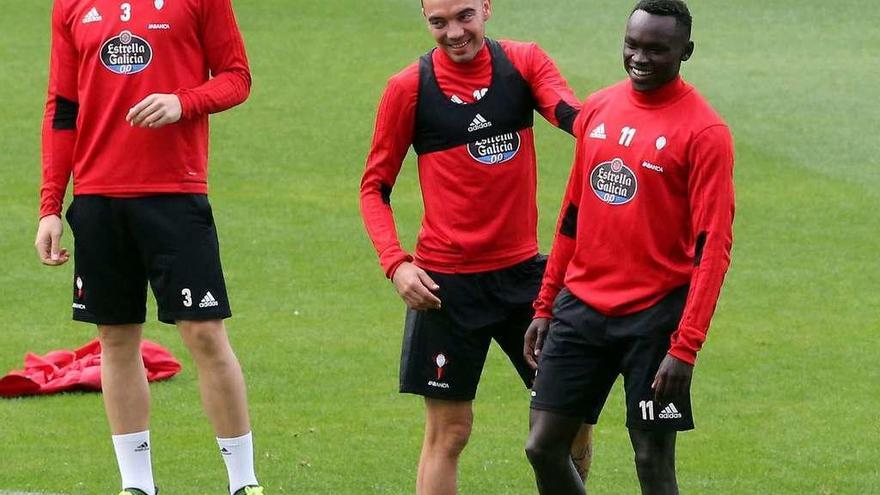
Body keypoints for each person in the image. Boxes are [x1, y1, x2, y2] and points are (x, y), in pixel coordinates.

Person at [359, 0, 594, 493]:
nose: (454, 33)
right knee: (450, 432)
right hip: (445, 288)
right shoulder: (409, 88)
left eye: (465, 16)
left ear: (487, 7)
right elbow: (374, 187)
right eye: (438, 22)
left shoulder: (523, 63)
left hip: (528, 281)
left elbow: (571, 115)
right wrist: (395, 264)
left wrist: (623, 119)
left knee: (569, 423)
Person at [35, 0, 262, 494]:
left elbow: (236, 77)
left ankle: (244, 483)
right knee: (115, 339)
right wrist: (50, 205)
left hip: (175, 195)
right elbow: (63, 106)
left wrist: (185, 101)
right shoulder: (70, 6)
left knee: (204, 333)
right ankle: (136, 485)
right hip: (97, 199)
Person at [523, 1, 735, 493]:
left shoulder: (705, 133)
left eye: (657, 49)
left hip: (655, 318)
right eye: (632, 44)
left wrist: (685, 347)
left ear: (686, 51)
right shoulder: (598, 107)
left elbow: (713, 248)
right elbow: (572, 216)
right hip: (580, 310)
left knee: (651, 459)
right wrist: (545, 304)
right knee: (542, 447)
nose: (640, 57)